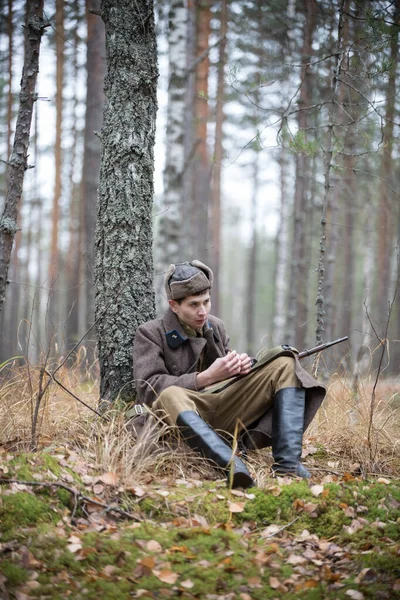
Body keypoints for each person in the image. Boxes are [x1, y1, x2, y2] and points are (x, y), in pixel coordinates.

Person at [133, 260, 325, 488]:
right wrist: (206, 377)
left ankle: (288, 466)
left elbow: (227, 383)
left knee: (283, 362)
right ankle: (233, 467)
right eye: (193, 305)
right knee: (170, 394)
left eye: (206, 302)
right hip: (177, 419)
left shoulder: (215, 327)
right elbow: (149, 389)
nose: (202, 311)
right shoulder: (150, 333)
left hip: (220, 410)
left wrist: (241, 369)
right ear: (174, 305)